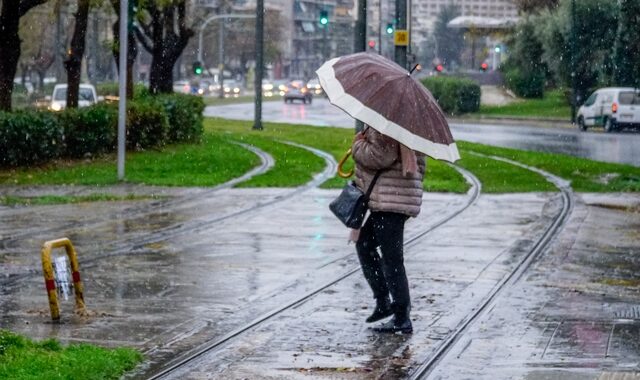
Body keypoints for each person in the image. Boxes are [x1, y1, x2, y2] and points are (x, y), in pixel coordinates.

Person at [351, 126, 426, 334]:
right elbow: (420, 165)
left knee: (392, 258)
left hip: (390, 199)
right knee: (365, 244)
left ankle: (401, 315)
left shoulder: (387, 126)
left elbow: (380, 157)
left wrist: (357, 144)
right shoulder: (409, 126)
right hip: (394, 195)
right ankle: (384, 300)